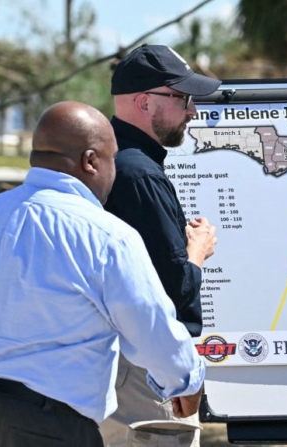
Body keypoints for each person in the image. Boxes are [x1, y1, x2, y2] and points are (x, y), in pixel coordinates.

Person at [0, 101, 206, 447]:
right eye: (112, 160)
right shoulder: (107, 234)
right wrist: (186, 381)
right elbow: (149, 323)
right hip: (46, 422)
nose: (115, 171)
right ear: (91, 161)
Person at [99, 44, 220, 446]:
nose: (192, 111)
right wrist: (198, 250)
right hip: (144, 372)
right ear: (145, 102)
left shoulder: (106, 161)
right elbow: (171, 288)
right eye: (183, 98)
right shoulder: (140, 174)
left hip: (112, 362)